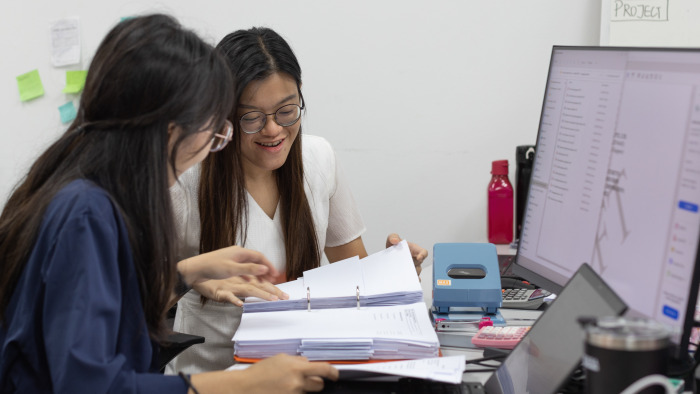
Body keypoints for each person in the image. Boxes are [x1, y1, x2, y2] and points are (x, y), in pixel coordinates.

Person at [0, 15, 337, 393]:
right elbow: (87, 384)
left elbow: (108, 303)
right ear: (168, 128)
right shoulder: (86, 214)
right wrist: (245, 384)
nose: (214, 144)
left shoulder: (85, 189)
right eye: (214, 127)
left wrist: (190, 273)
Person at [167, 26, 429, 374]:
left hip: (299, 374)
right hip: (211, 379)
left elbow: (354, 278)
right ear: (223, 114)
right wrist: (197, 277)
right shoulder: (187, 177)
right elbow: (139, 294)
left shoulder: (318, 159)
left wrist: (394, 274)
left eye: (286, 110)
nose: (273, 129)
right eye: (252, 117)